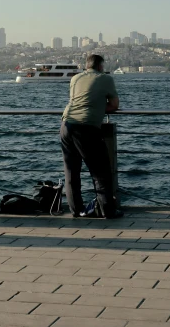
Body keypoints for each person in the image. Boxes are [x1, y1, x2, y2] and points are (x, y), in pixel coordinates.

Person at [60, 54, 122, 218]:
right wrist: (100, 107)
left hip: (66, 125)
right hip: (86, 127)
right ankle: (107, 210)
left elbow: (77, 100)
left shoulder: (75, 78)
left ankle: (76, 210)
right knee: (100, 171)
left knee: (71, 172)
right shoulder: (105, 79)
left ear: (86, 66)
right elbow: (114, 105)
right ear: (101, 66)